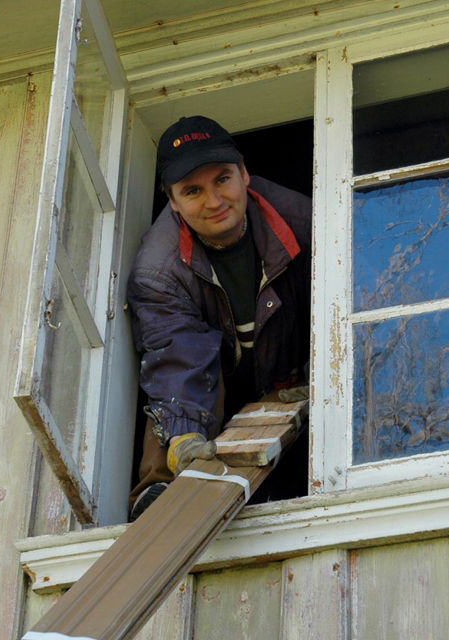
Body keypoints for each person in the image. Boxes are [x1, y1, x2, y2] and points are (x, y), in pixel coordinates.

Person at [126, 115, 312, 520]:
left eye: (222, 179)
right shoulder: (159, 270)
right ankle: (157, 493)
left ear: (245, 173)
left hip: (291, 375)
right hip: (215, 382)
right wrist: (185, 437)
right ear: (172, 201)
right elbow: (179, 354)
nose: (213, 201)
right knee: (175, 417)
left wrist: (324, 374)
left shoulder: (307, 225)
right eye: (192, 191)